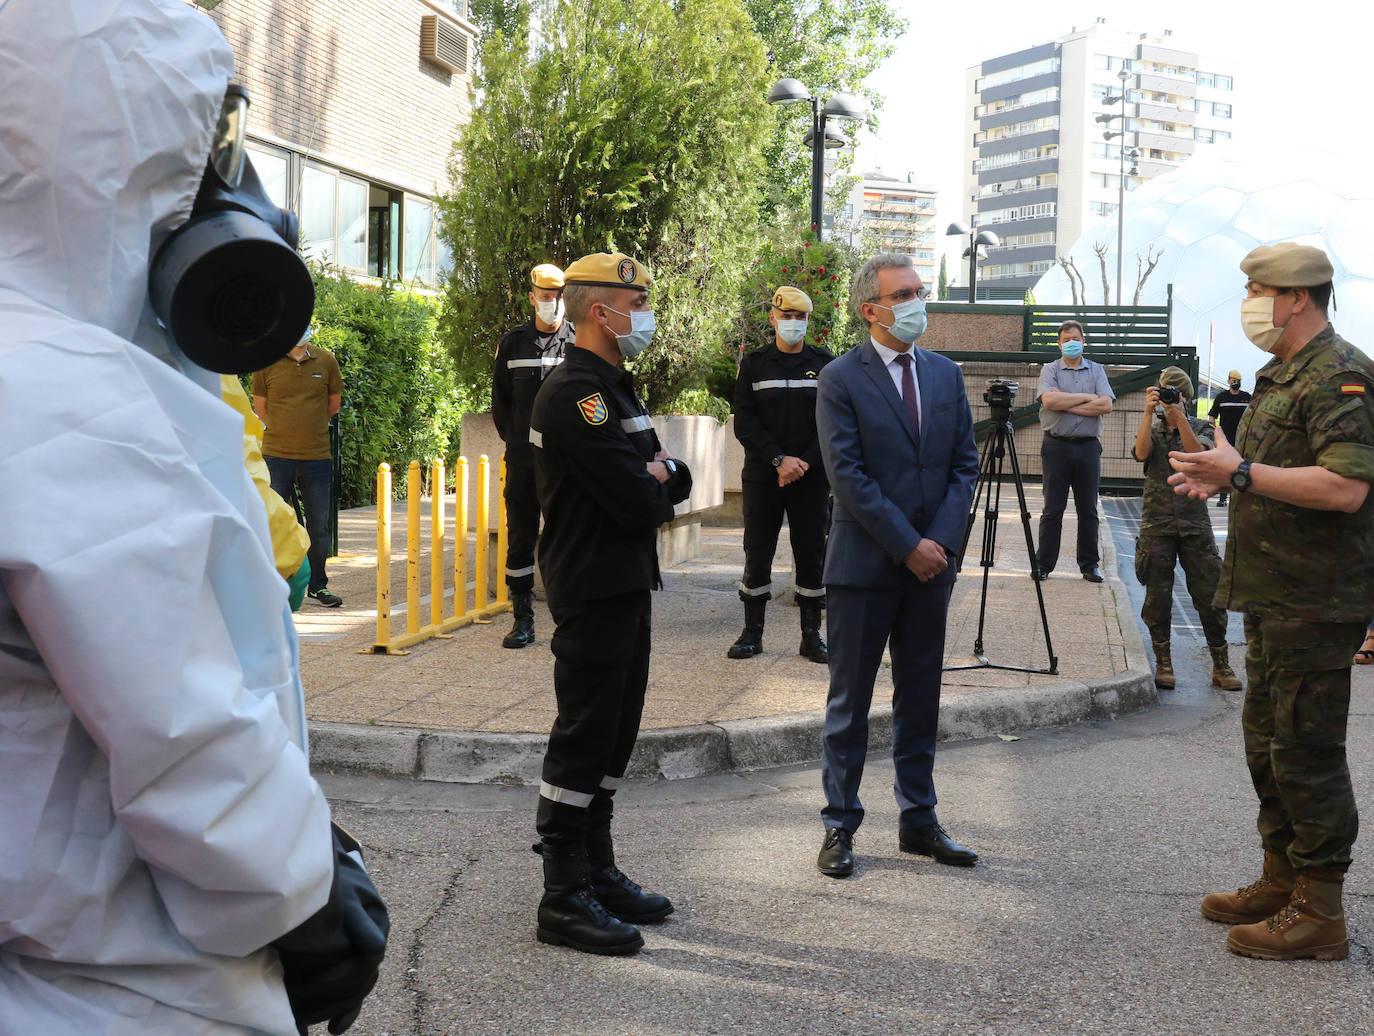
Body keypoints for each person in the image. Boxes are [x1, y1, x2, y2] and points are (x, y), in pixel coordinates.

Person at [0, 3, 387, 1031]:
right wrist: (304, 891)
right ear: (115, 149)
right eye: (206, 147)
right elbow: (183, 725)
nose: (229, 191)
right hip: (125, 974)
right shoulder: (65, 397)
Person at [1168, 242, 1374, 962]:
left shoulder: (1341, 375)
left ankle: (1320, 911)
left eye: (1257, 289)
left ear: (1296, 298)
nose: (1250, 301)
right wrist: (1226, 476)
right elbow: (1273, 473)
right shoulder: (1281, 373)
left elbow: (1346, 487)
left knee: (1306, 748)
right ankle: (1281, 878)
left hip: (1316, 599)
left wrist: (1244, 471)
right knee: (1268, 743)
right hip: (1274, 593)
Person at [527, 252, 693, 955]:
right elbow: (639, 498)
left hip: (624, 581)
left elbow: (668, 476)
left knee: (616, 733)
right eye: (640, 299)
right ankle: (562, 896)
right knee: (585, 733)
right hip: (592, 584)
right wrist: (659, 478)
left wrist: (664, 475)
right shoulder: (576, 394)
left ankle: (598, 870)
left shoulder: (614, 387)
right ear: (604, 311)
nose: (647, 313)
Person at [813, 253, 979, 879]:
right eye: (903, 294)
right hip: (864, 565)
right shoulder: (840, 378)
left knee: (921, 695)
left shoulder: (943, 374)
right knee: (849, 703)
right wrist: (907, 544)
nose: (917, 303)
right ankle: (839, 824)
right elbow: (847, 475)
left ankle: (919, 819)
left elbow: (964, 465)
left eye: (919, 291)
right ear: (870, 309)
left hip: (931, 568)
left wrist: (936, 544)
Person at [728, 285, 834, 663]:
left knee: (812, 555)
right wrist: (778, 460)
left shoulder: (825, 364)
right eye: (786, 316)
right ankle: (751, 633)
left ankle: (812, 636)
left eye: (800, 317)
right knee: (757, 553)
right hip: (763, 477)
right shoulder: (755, 364)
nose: (793, 323)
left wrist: (801, 462)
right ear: (773, 318)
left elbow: (831, 422)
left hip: (810, 477)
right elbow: (745, 421)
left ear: (808, 321)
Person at [1131, 366, 1241, 691]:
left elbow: (1199, 456)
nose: (1169, 401)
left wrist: (1180, 420)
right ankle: (1163, 663)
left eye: (1174, 396)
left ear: (1187, 399)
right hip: (1157, 523)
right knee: (1158, 595)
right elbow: (1141, 454)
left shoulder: (1201, 426)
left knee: (1210, 595)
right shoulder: (1151, 426)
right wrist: (1148, 413)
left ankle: (1221, 665)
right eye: (1165, 394)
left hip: (1194, 523)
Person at [492, 263, 575, 647]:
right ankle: (522, 618)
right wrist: (518, 444)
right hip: (524, 462)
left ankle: (569, 619)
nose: (552, 303)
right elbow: (501, 405)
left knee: (567, 538)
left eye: (558, 296)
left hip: (566, 465)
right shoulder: (513, 343)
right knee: (521, 538)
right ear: (532, 297)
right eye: (545, 296)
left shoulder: (576, 342)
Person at [253, 326, 345, 607]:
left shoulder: (326, 361)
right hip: (276, 456)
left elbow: (333, 405)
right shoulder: (265, 363)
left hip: (316, 456)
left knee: (318, 526)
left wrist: (308, 427)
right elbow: (260, 407)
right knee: (274, 524)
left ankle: (318, 585)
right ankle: (273, 584)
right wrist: (283, 430)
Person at [1034, 320, 1115, 582]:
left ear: (1084, 341)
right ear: (1059, 343)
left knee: (1088, 509)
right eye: (1066, 339)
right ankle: (1043, 564)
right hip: (1056, 447)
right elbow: (1048, 400)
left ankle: (1090, 565)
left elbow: (1105, 406)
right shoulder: (1050, 370)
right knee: (1052, 509)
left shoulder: (1097, 370)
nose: (1071, 343)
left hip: (1088, 448)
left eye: (1076, 338)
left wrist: (1065, 403)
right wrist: (1089, 398)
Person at [1207, 369, 1251, 507]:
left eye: (1238, 381)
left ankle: (1242, 496)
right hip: (1225, 439)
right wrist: (1215, 431)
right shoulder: (1222, 397)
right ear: (1228, 381)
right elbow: (1212, 415)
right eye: (1233, 380)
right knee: (1225, 467)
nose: (1235, 383)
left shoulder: (1247, 397)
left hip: (1242, 438)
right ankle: (1222, 497)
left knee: (1243, 467)